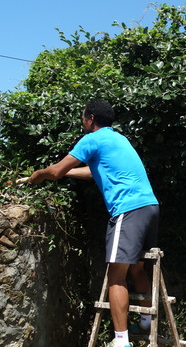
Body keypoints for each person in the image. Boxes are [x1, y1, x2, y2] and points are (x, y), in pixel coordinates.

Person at [28, 99, 159, 347]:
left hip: (128, 210)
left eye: (82, 117)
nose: (82, 121)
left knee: (116, 276)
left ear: (90, 118)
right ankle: (145, 322)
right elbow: (92, 172)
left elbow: (54, 172)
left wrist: (39, 175)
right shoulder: (118, 139)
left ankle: (121, 341)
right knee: (137, 267)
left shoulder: (92, 139)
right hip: (149, 207)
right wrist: (63, 171)